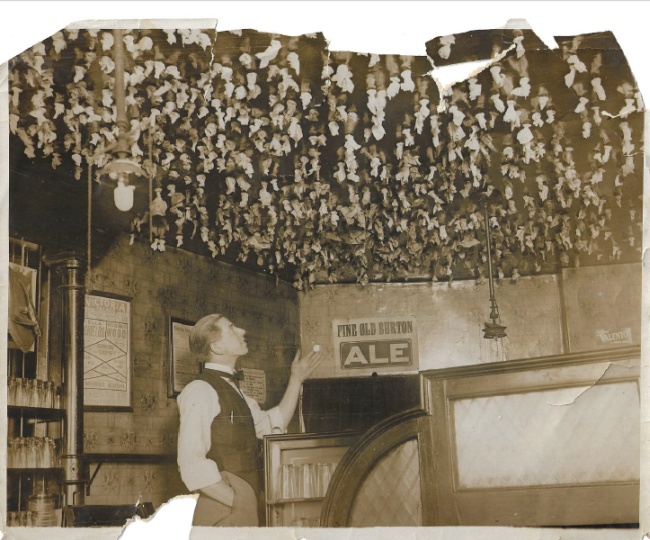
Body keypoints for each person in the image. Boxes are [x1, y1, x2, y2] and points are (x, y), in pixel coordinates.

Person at [176, 313, 323, 527]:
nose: (242, 331)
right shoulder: (199, 390)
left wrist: (296, 378)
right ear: (216, 347)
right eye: (232, 328)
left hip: (243, 511)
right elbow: (190, 463)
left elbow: (272, 424)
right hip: (223, 515)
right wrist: (239, 501)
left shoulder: (235, 391)